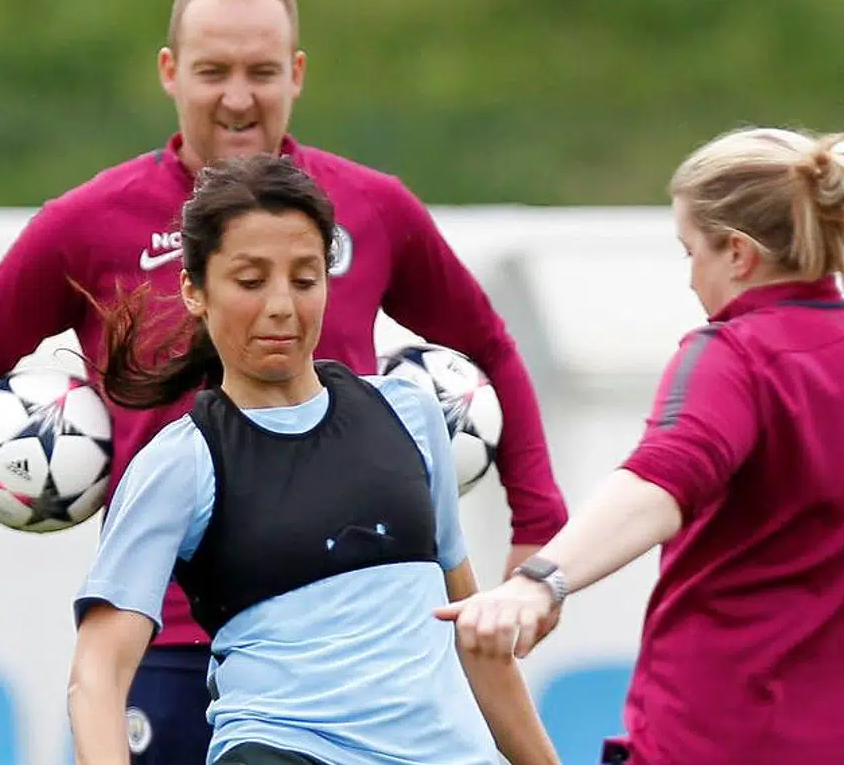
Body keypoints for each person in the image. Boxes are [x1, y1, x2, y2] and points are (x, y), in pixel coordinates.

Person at [0, 0, 567, 762]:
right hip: (168, 638)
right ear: (169, 71)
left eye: (261, 72)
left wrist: (539, 526)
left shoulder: (373, 211)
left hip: (356, 653)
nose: (237, 97)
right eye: (213, 71)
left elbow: (489, 345)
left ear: (297, 73)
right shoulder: (85, 226)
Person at [436, 127, 844, 764]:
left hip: (722, 741)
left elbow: (663, 479)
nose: (690, 278)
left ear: (737, 252)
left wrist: (540, 582)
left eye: (690, 252)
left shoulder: (735, 355)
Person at [66, 154, 559, 765]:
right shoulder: (182, 461)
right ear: (195, 291)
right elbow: (97, 676)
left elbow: (472, 637)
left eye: (304, 280)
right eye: (251, 281)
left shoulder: (410, 412)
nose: (281, 305)